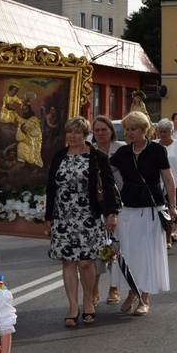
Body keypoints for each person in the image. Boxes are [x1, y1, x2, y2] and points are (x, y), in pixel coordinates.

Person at [45, 117, 119, 327]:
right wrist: (49, 217)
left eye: (78, 132)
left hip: (88, 216)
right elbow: (52, 188)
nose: (73, 136)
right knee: (68, 262)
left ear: (86, 135)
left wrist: (111, 213)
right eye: (70, 132)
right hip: (63, 217)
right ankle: (72, 306)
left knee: (86, 262)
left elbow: (108, 184)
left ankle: (88, 299)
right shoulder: (59, 156)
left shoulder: (97, 157)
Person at [110, 111, 177, 316]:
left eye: (134, 129)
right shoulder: (123, 153)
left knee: (148, 254)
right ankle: (132, 292)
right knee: (129, 253)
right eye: (127, 129)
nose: (129, 133)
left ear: (144, 129)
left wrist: (173, 206)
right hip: (128, 208)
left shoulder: (156, 150)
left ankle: (145, 297)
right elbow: (105, 173)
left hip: (151, 208)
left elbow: (168, 179)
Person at [91, 116, 126, 306]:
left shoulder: (120, 149)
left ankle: (114, 288)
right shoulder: (88, 149)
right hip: (96, 205)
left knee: (116, 247)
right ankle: (94, 289)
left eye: (104, 130)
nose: (100, 134)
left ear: (111, 131)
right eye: (97, 130)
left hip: (118, 204)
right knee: (97, 248)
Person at [156, 118, 177, 248]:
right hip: (157, 184)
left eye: (166, 131)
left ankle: (168, 238)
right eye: (161, 131)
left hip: (175, 184)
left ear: (171, 132)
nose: (163, 134)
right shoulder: (153, 145)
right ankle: (160, 237)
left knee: (171, 211)